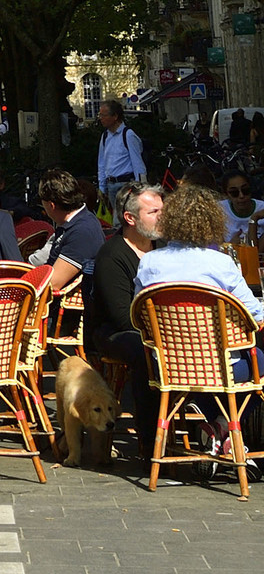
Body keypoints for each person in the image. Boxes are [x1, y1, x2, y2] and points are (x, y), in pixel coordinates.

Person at [133, 181, 264, 454]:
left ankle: (214, 427)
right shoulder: (221, 263)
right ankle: (222, 424)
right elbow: (256, 314)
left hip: (167, 366)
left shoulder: (150, 262)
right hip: (220, 367)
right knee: (257, 361)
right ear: (212, 222)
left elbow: (139, 314)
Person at [91, 182, 164, 460]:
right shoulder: (112, 255)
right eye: (154, 211)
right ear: (130, 218)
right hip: (114, 332)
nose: (162, 217)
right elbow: (122, 317)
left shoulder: (165, 249)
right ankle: (150, 442)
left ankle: (210, 427)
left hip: (160, 330)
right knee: (145, 352)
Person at [37, 167, 106, 299]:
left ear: (51, 205)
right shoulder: (74, 221)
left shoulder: (82, 231)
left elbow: (54, 283)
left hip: (58, 309)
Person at [97, 99, 146, 199]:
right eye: (100, 115)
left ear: (115, 116)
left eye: (104, 115)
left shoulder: (128, 135)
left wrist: (140, 188)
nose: (100, 118)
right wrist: (102, 187)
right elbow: (102, 162)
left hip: (126, 184)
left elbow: (137, 163)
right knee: (116, 213)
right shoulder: (105, 136)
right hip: (111, 185)